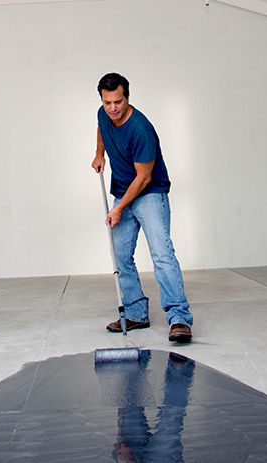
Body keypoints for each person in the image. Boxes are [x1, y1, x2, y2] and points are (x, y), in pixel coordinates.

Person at [92, 72, 193, 343]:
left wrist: (119, 208)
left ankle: (179, 317)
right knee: (120, 255)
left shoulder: (141, 129)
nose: (113, 108)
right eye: (107, 102)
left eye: (118, 102)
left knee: (161, 254)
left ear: (128, 97)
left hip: (149, 193)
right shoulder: (104, 114)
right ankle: (136, 313)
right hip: (124, 191)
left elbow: (144, 177)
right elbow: (102, 127)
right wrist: (99, 153)